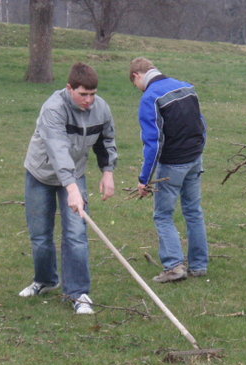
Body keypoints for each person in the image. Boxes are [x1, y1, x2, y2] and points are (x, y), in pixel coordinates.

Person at [19, 62, 118, 314]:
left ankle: (78, 293)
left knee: (76, 234)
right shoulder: (54, 109)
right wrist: (71, 188)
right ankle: (45, 280)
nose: (89, 100)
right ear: (69, 88)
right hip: (41, 173)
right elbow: (58, 150)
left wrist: (108, 172)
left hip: (75, 174)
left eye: (93, 94)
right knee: (41, 235)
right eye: (83, 94)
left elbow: (106, 140)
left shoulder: (101, 109)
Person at [129, 57, 209, 283]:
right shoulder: (186, 87)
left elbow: (153, 143)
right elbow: (202, 125)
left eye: (134, 83)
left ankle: (174, 266)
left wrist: (144, 179)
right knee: (193, 211)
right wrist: (198, 150)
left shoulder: (150, 98)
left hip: (173, 164)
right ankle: (199, 265)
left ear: (137, 75)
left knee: (163, 215)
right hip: (195, 158)